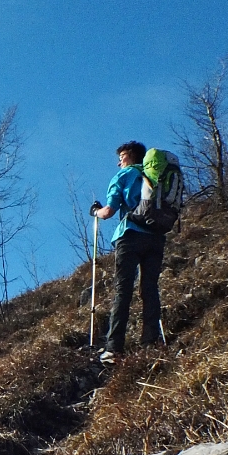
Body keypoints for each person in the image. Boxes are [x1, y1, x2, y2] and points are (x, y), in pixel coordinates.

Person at [90, 141, 165, 363]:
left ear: (130, 156)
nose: (119, 161)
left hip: (130, 235)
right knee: (150, 289)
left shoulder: (123, 176)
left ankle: (114, 348)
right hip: (156, 237)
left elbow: (109, 212)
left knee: (123, 290)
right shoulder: (156, 176)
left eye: (122, 156)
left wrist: (95, 211)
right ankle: (151, 343)